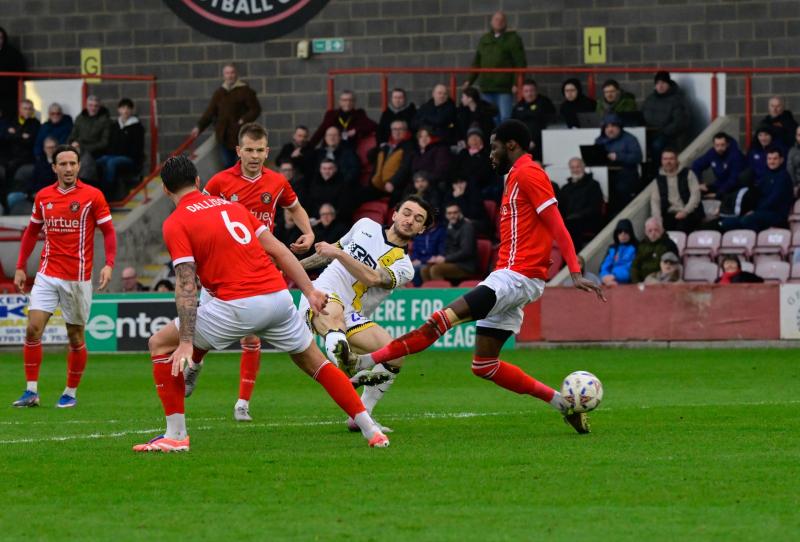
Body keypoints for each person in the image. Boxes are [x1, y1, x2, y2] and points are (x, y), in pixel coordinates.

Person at [342, 120, 605, 435]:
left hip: (515, 278)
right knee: (484, 365)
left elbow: (556, 222)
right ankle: (564, 405)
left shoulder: (528, 173)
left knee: (438, 322)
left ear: (511, 145)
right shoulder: (514, 176)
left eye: (494, 147)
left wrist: (574, 270)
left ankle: (364, 362)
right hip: (514, 279)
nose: (490, 154)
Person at [133, 155, 389, 452]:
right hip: (278, 299)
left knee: (160, 344)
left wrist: (186, 342)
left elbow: (186, 284)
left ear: (165, 189)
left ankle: (176, 436)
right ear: (199, 181)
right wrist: (309, 291)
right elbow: (279, 251)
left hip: (237, 306)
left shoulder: (176, 222)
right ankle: (371, 430)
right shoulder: (234, 207)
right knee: (316, 363)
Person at [189, 122, 314, 421]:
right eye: (249, 150)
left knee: (251, 339)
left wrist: (309, 232)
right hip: (221, 268)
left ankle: (242, 403)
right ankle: (194, 365)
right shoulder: (220, 182)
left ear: (267, 151)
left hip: (259, 270)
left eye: (259, 150)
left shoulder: (277, 182)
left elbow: (295, 207)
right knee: (199, 331)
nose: (255, 156)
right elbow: (198, 213)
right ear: (238, 151)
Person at [297, 196, 435, 429]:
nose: (410, 220)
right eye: (407, 213)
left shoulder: (404, 266)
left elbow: (371, 277)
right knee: (334, 315)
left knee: (396, 354)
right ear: (395, 214)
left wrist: (339, 254)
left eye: (418, 219)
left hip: (352, 314)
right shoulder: (365, 225)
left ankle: (361, 414)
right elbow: (327, 253)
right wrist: (289, 266)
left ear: (421, 229)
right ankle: (349, 363)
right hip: (322, 294)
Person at [11, 145, 116, 409]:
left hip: (77, 278)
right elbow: (31, 232)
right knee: (33, 329)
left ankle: (70, 392)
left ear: (79, 166)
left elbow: (109, 231)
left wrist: (109, 264)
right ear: (54, 167)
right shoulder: (43, 196)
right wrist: (21, 266)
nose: (68, 168)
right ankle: (31, 391)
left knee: (75, 337)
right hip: (47, 273)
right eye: (63, 164)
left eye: (72, 163)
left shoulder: (93, 196)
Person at [191, 63, 261, 168]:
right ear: (224, 75)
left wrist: (243, 120)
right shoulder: (219, 93)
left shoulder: (245, 91)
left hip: (241, 135)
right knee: (228, 165)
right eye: (227, 73)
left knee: (244, 165)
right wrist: (199, 127)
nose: (230, 75)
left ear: (236, 74)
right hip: (223, 136)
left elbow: (255, 109)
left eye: (232, 72)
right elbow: (210, 112)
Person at [465, 11, 526, 123]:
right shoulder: (484, 39)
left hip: (504, 88)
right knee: (489, 119)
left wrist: (516, 83)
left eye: (502, 20)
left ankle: (504, 135)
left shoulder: (513, 39)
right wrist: (469, 80)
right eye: (496, 19)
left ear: (505, 23)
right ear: (491, 22)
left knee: (505, 118)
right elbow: (477, 62)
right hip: (486, 87)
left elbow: (520, 63)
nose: (499, 22)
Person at [720, 147, 793, 233]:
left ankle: (758, 239)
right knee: (727, 223)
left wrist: (755, 211)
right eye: (769, 159)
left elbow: (774, 199)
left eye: (775, 159)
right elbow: (756, 193)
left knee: (747, 220)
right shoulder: (766, 175)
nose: (772, 162)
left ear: (781, 160)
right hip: (760, 212)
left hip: (776, 214)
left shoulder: (783, 177)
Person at [595, 113, 643, 215]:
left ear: (619, 127)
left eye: (613, 126)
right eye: (607, 127)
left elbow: (638, 157)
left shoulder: (630, 139)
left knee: (620, 190)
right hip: (606, 175)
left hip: (626, 175)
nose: (610, 129)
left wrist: (618, 156)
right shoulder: (600, 140)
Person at [97, 98, 145, 192]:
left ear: (132, 110)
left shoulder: (137, 127)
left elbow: (137, 148)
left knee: (111, 163)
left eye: (128, 108)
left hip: (130, 159)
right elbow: (110, 144)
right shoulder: (115, 125)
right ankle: (96, 189)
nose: (125, 110)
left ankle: (108, 192)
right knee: (99, 161)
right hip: (113, 156)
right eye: (123, 108)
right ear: (118, 110)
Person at [650, 148, 703, 233]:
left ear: (676, 160)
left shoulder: (688, 173)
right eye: (665, 159)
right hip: (669, 214)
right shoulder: (658, 179)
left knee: (682, 227)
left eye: (671, 158)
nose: (668, 162)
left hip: (689, 213)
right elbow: (655, 201)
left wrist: (685, 211)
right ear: (661, 161)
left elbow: (695, 195)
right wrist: (657, 219)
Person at [421, 203, 477, 283]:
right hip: (451, 262)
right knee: (424, 270)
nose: (452, 216)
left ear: (460, 213)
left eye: (455, 213)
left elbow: (466, 251)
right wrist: (438, 258)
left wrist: (445, 259)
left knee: (436, 269)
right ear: (446, 215)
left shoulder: (467, 227)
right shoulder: (449, 226)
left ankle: (442, 291)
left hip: (465, 266)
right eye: (449, 213)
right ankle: (430, 291)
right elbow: (448, 248)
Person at [641, 71, 690, 160]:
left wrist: (663, 131)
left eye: (663, 83)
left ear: (669, 84)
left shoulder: (676, 100)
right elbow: (641, 115)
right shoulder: (650, 99)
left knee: (656, 145)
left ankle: (656, 168)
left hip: (669, 136)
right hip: (649, 133)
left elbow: (679, 122)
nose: (660, 86)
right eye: (657, 83)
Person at [1, 99, 40, 210]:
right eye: (25, 108)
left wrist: (15, 135)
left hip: (26, 158)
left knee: (14, 175)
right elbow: (6, 137)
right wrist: (22, 136)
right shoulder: (12, 121)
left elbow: (30, 141)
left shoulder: (35, 123)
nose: (27, 111)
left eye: (29, 109)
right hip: (10, 158)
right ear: (20, 110)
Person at [559, 157, 604, 250]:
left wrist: (576, 216)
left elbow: (595, 207)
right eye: (573, 167)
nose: (575, 170)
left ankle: (574, 255)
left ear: (583, 167)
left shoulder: (593, 185)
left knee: (572, 226)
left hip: (587, 220)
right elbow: (560, 207)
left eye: (578, 167)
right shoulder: (565, 188)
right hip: (568, 220)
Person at [308, 90, 376, 149]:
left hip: (349, 149)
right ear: (340, 102)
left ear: (354, 102)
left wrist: (356, 130)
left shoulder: (359, 114)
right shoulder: (331, 115)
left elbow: (373, 125)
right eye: (344, 100)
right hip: (331, 147)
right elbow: (320, 132)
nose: (348, 103)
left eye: (350, 100)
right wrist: (308, 148)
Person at [691, 132, 746, 200]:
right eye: (717, 145)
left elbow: (734, 179)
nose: (719, 148)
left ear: (727, 144)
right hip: (718, 185)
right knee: (696, 192)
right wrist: (699, 183)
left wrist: (719, 194)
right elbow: (696, 165)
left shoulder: (736, 155)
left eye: (722, 145)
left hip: (734, 188)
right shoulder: (712, 153)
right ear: (714, 145)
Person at [68, 95, 111, 182]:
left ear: (99, 107)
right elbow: (72, 136)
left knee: (84, 163)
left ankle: (82, 184)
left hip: (94, 152)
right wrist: (72, 143)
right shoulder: (80, 118)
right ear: (86, 105)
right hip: (77, 149)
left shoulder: (105, 120)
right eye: (90, 105)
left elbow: (104, 142)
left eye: (96, 106)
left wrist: (83, 148)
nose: (93, 108)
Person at [511, 79, 556, 161]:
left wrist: (534, 140)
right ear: (522, 92)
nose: (529, 94)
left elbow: (549, 124)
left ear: (536, 91)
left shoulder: (544, 103)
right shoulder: (518, 107)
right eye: (526, 91)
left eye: (531, 91)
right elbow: (513, 126)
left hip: (543, 143)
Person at [370, 119, 413, 202]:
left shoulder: (409, 146)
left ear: (406, 131)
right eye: (394, 129)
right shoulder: (387, 145)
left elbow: (405, 168)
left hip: (396, 186)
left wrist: (393, 182)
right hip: (380, 184)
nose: (397, 132)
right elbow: (372, 159)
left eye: (400, 129)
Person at [454, 127, 499, 201]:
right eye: (471, 138)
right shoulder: (463, 153)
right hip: (461, 184)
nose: (474, 140)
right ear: (467, 141)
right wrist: (459, 181)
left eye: (477, 137)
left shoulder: (487, 154)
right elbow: (454, 169)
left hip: (479, 186)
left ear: (482, 140)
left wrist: (467, 182)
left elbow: (486, 173)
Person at [630, 217, 679, 283]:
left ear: (662, 230)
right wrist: (636, 282)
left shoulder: (669, 245)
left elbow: (672, 267)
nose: (653, 233)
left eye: (656, 230)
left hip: (661, 282)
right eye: (650, 231)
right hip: (642, 283)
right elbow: (635, 266)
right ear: (645, 232)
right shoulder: (642, 245)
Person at [410, 126, 451, 190]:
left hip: (434, 186)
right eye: (420, 137)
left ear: (432, 137)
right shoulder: (416, 152)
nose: (423, 139)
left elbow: (441, 171)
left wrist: (424, 179)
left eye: (427, 136)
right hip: (417, 184)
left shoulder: (440, 149)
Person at [599, 218, 638, 287]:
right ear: (616, 234)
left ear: (630, 233)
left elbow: (632, 268)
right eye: (620, 232)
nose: (623, 234)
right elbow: (604, 266)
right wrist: (604, 277)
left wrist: (614, 276)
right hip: (609, 282)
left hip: (628, 284)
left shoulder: (636, 248)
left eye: (626, 231)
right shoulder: (612, 248)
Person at [410, 220, 446, 287]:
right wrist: (415, 259)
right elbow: (415, 251)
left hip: (431, 262)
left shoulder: (440, 232)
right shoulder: (418, 233)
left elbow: (439, 254)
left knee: (418, 270)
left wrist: (422, 261)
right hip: (419, 261)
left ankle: (422, 290)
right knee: (408, 269)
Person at [0, 27, 26, 121]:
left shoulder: (13, 54)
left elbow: (21, 72)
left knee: (9, 119)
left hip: (9, 95)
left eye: (1, 38)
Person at [788, 126, 800, 195]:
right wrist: (795, 185)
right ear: (796, 137)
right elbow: (790, 170)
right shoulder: (792, 151)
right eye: (799, 135)